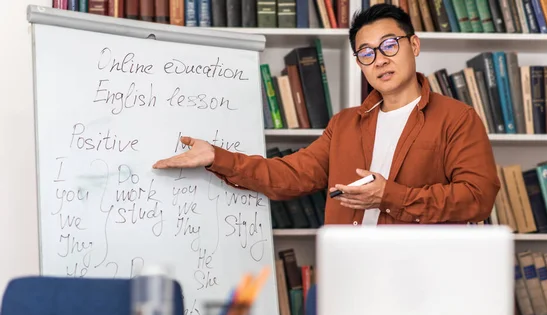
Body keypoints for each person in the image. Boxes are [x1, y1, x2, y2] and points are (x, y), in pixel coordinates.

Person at [153, 3, 500, 227]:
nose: (379, 59)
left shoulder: (457, 118)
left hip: (418, 277)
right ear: (359, 63)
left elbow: (477, 198)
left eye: (389, 45)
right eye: (366, 53)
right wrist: (216, 156)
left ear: (414, 45)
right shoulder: (345, 124)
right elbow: (289, 175)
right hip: (348, 270)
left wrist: (390, 196)